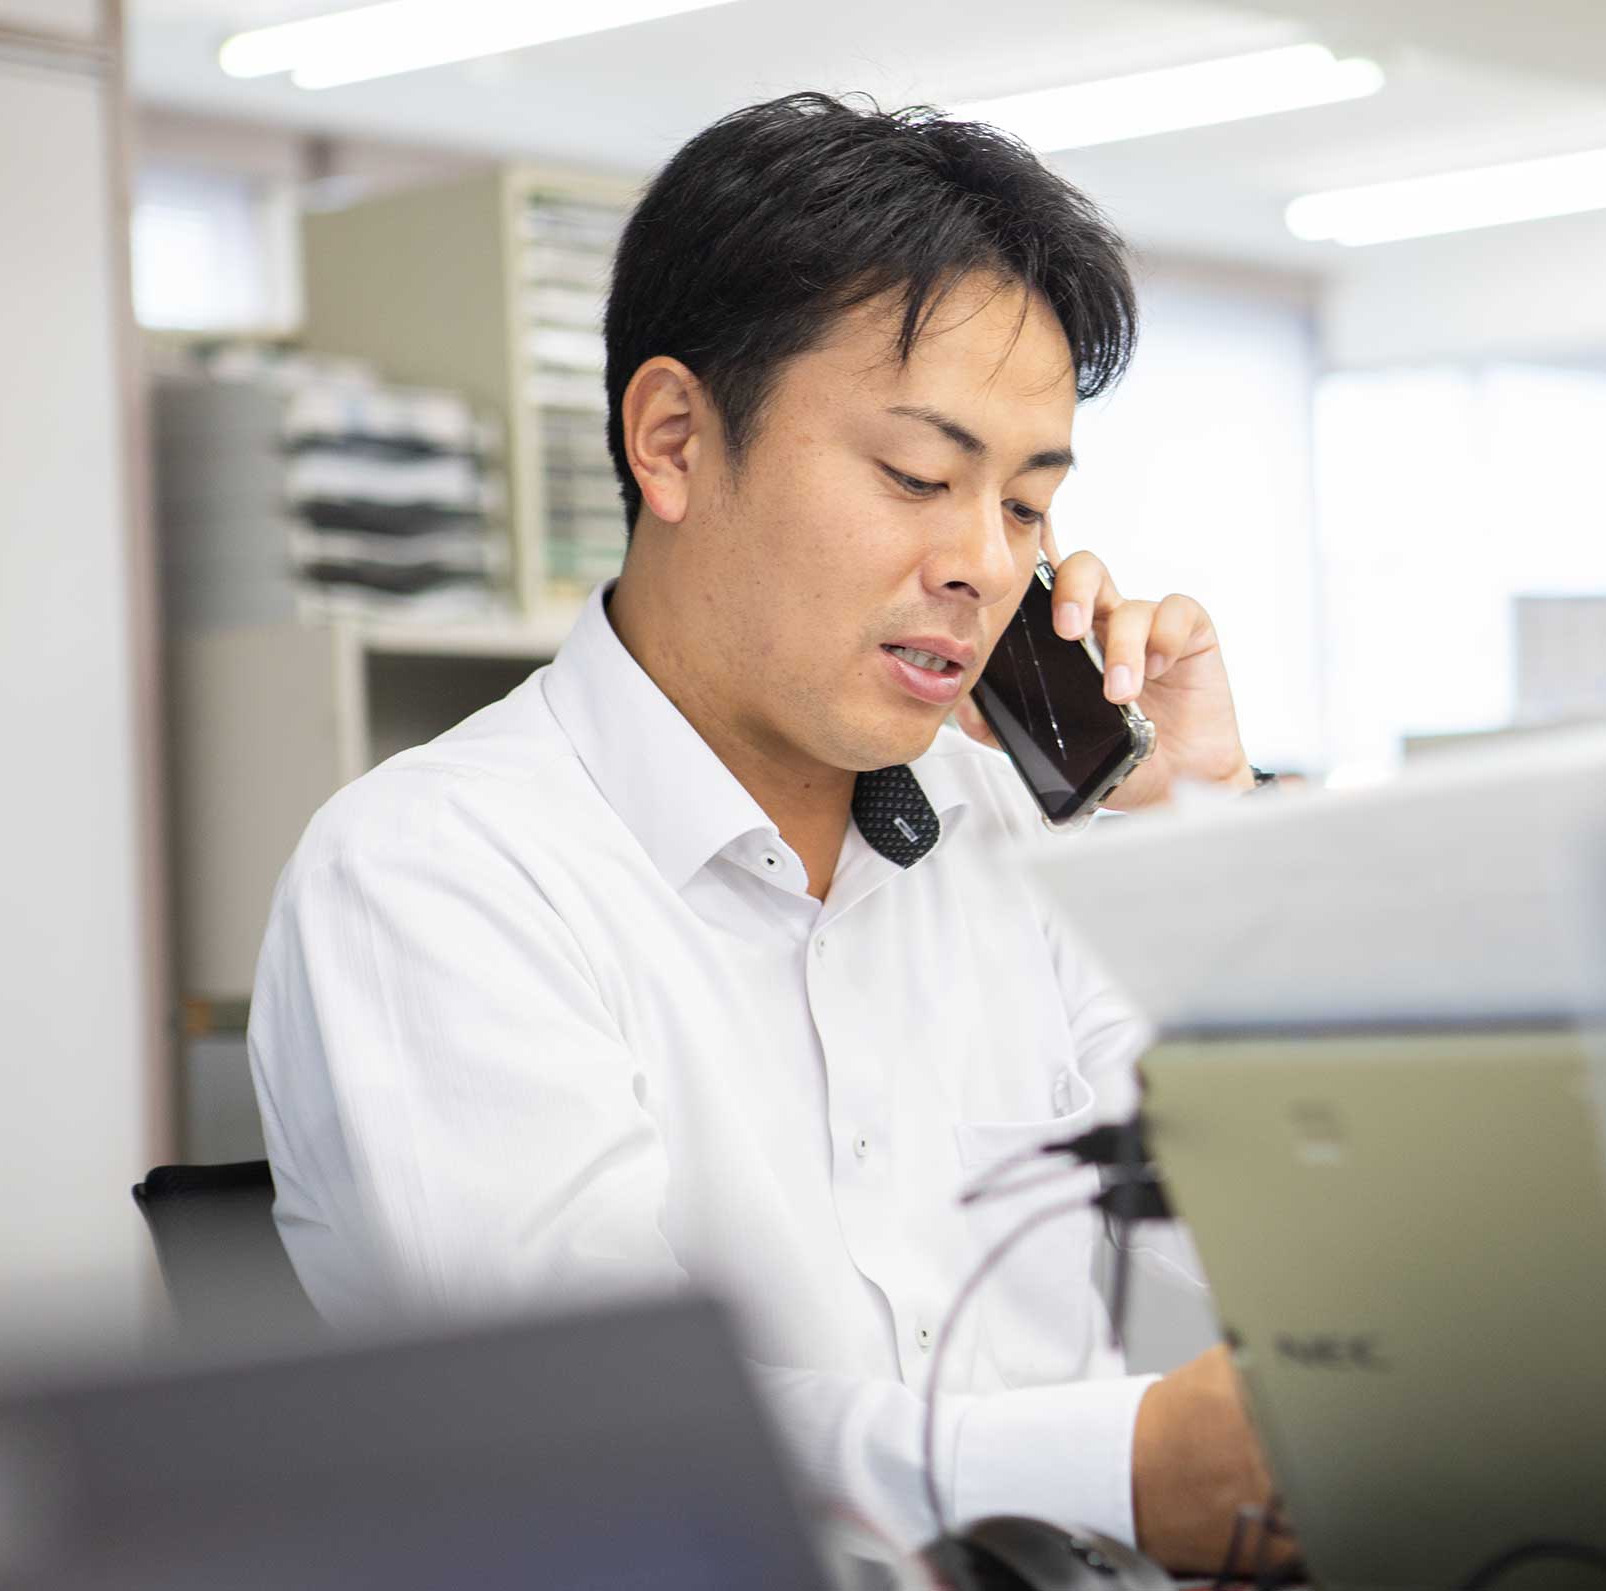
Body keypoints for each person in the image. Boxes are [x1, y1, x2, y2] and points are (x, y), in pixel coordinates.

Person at [249, 91, 1281, 1574]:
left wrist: (1192, 833)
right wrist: (1117, 1467)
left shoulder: (1029, 832)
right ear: (672, 440)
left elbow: (1284, 1258)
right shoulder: (434, 875)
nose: (983, 567)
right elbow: (620, 1445)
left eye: (1029, 505)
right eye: (920, 479)